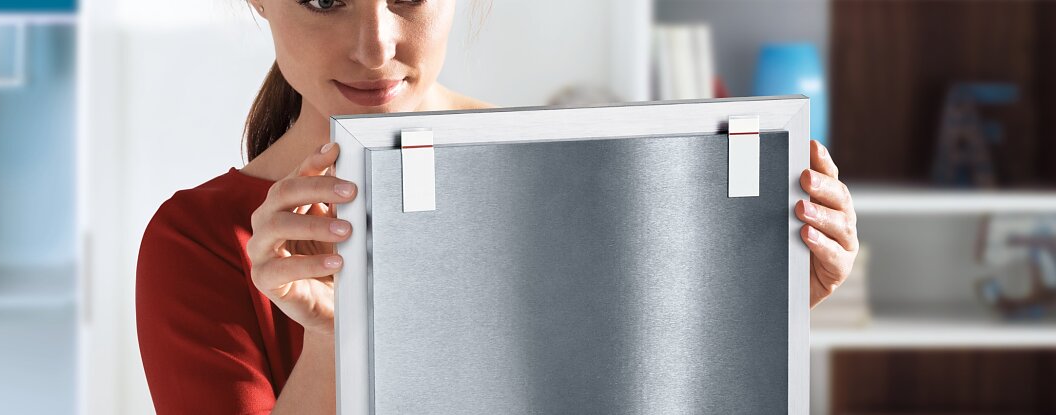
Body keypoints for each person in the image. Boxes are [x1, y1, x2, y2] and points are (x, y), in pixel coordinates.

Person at [136, 0, 860, 413]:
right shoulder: (197, 242)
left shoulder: (570, 181)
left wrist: (758, 310)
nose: (375, 46)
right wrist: (337, 340)